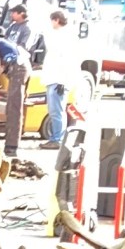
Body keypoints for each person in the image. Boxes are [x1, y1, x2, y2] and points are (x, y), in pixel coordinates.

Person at [40, 8, 76, 146]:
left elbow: (66, 60)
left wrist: (63, 81)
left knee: (56, 111)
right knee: (55, 111)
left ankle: (57, 139)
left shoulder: (63, 37)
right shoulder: (63, 35)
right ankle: (56, 138)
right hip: (55, 78)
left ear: (56, 20)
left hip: (58, 79)